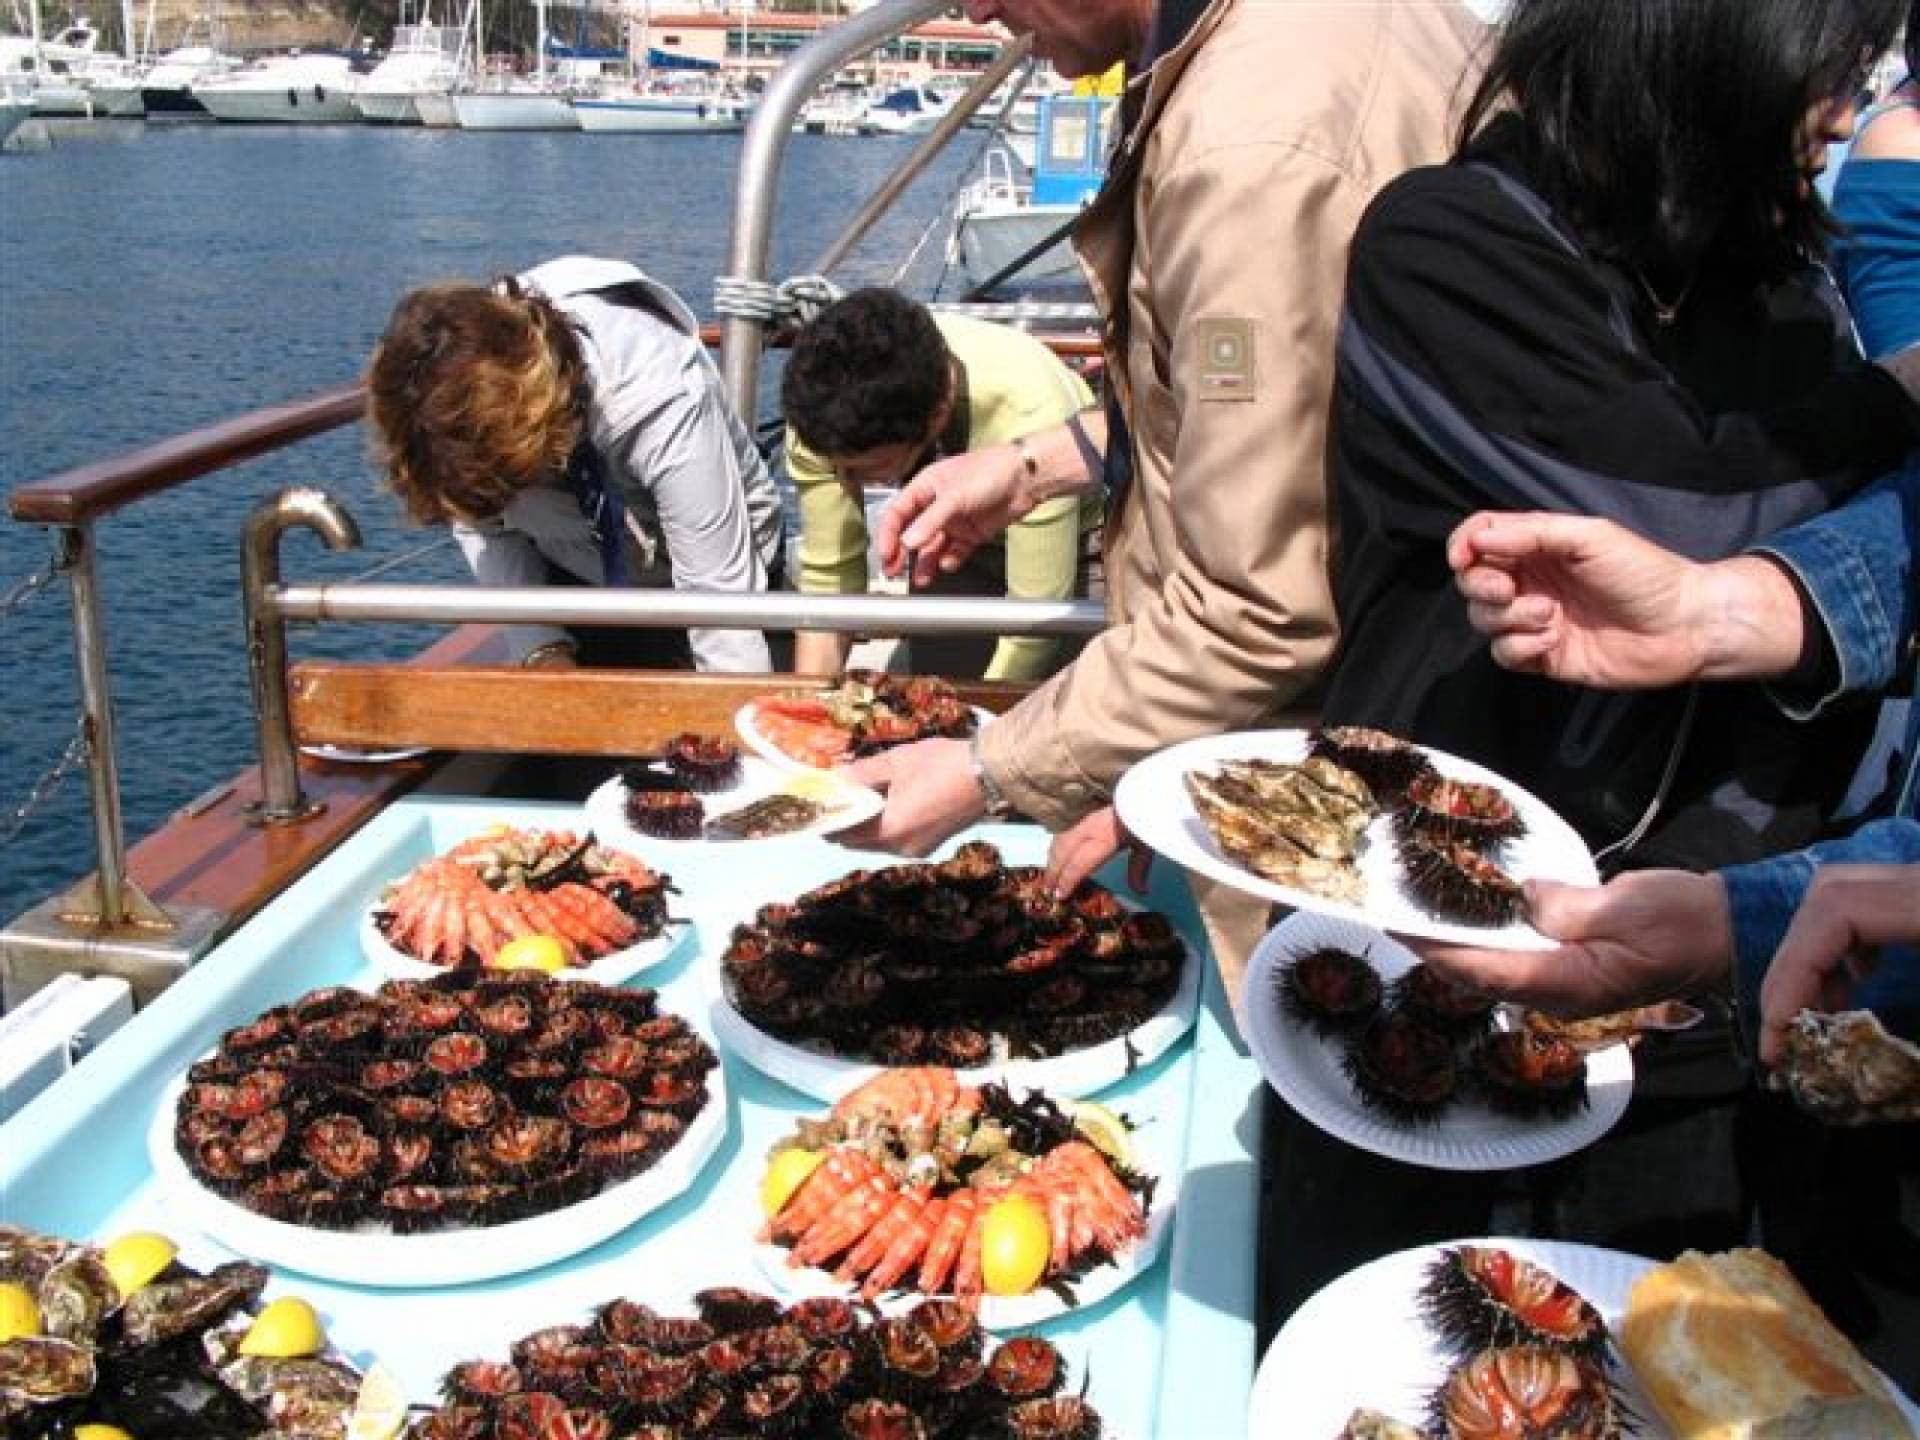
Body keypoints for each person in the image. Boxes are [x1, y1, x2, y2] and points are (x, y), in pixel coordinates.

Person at [839, 0, 1488, 995]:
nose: (974, 9)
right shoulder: (1314, 35)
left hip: (1356, 810)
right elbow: (1287, 415)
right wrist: (1035, 465)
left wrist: (985, 772)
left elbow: (1256, 608)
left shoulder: (1245, 156)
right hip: (1431, 717)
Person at [1321, 0, 1919, 877]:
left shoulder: (1782, 286)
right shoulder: (1441, 244)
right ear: (1704, 43)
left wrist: (1713, 891)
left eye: (1861, 76)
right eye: (1830, 74)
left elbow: (1827, 609)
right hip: (1426, 869)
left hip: (1699, 892)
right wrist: (1898, 393)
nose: (1843, 117)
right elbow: (1681, 514)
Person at [368, 256, 785, 672]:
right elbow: (479, 521)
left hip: (725, 573)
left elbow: (719, 607)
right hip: (578, 575)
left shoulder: (657, 393)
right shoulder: (448, 392)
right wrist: (541, 647)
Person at [781, 288, 1100, 683]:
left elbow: (1032, 629)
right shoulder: (820, 416)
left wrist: (980, 715)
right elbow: (830, 583)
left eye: (867, 470)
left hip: (1079, 535)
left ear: (939, 412)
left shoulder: (1030, 410)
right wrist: (808, 702)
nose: (844, 483)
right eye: (838, 469)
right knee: (938, 687)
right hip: (950, 540)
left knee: (1059, 694)